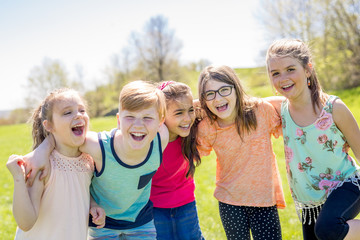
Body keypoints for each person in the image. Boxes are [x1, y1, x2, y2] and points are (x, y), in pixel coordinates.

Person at [24, 80, 169, 239]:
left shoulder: (161, 139)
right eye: (130, 117)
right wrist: (41, 151)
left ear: (160, 122)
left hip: (141, 220)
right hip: (102, 222)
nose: (138, 125)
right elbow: (64, 136)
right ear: (119, 120)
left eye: (147, 117)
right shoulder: (98, 146)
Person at [266, 38, 360, 240]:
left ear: (308, 69)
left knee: (328, 229)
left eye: (291, 69)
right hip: (310, 201)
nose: (283, 78)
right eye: (275, 73)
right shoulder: (279, 108)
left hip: (346, 184)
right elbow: (241, 105)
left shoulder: (334, 107)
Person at [196, 65, 285, 240]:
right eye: (210, 94)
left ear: (236, 89)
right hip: (229, 201)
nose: (218, 98)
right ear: (203, 99)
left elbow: (290, 109)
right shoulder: (206, 127)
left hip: (263, 200)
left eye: (224, 90)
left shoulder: (261, 111)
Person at [6, 88, 105, 240]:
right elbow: (25, 223)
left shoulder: (88, 161)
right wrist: (19, 180)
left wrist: (93, 205)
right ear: (49, 126)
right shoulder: (43, 165)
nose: (78, 115)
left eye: (82, 110)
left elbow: (79, 193)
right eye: (67, 112)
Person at [151, 81, 204, 240]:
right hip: (155, 207)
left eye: (190, 110)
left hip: (186, 204)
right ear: (161, 115)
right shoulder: (150, 140)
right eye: (179, 113)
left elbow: (210, 105)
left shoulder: (191, 132)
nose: (187, 119)